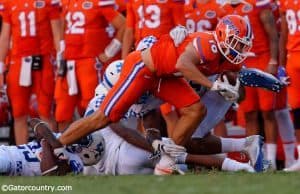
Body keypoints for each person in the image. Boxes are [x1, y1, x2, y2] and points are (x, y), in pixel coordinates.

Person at [45, 15, 253, 163]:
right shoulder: (208, 44)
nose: (241, 49)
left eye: (243, 45)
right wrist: (213, 85)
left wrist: (268, 80)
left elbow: (149, 115)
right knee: (103, 117)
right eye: (237, 43)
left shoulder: (225, 56)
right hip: (144, 69)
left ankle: (167, 162)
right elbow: (183, 64)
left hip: (164, 77)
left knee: (196, 110)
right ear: (223, 36)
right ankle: (55, 145)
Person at [221, 0, 280, 169]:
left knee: (268, 111)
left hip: (261, 60)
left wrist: (273, 60)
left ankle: (272, 159)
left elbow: (272, 34)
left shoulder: (257, 4)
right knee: (250, 113)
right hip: (241, 63)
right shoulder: (224, 10)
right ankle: (256, 159)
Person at [55, 0, 126, 131]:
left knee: (92, 106)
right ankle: (63, 148)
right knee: (62, 111)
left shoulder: (97, 3)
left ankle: (96, 144)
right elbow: (62, 27)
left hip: (89, 61)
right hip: (69, 61)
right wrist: (61, 53)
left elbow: (123, 24)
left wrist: (109, 52)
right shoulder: (67, 3)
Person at [0, 0, 62, 144]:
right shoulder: (9, 3)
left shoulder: (48, 2)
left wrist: (61, 62)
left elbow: (57, 34)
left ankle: (53, 153)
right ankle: (22, 154)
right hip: (18, 61)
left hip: (44, 60)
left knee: (46, 112)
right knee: (19, 113)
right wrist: (1, 67)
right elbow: (5, 36)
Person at [279, 0, 300, 172]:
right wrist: (281, 64)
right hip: (293, 57)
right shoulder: (285, 2)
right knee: (296, 108)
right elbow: (284, 33)